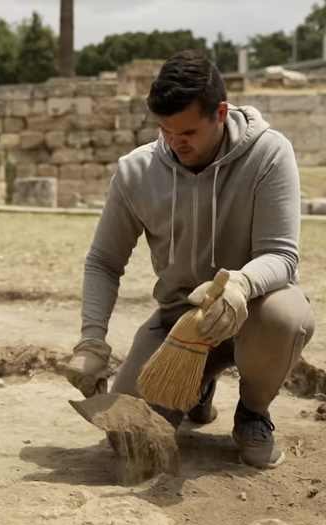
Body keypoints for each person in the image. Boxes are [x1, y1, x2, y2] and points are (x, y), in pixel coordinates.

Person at [64, 50, 315, 469]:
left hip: (254, 310)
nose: (175, 143)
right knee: (127, 439)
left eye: (187, 132)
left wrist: (239, 285)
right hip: (177, 324)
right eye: (165, 131)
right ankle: (198, 388)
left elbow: (281, 254)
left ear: (220, 112)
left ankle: (253, 413)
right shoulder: (135, 172)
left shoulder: (269, 153)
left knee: (285, 317)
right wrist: (92, 339)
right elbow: (104, 262)